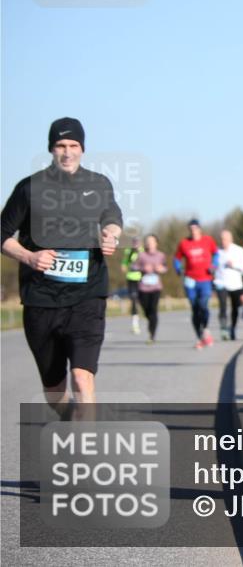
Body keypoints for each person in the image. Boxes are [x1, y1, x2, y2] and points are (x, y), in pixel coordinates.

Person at [0, 117, 123, 418]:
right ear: (51, 149)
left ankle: (88, 449)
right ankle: (69, 415)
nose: (67, 152)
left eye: (73, 145)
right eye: (60, 145)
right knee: (55, 389)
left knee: (83, 377)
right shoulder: (29, 188)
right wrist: (29, 257)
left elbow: (112, 216)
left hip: (87, 295)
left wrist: (111, 234)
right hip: (41, 299)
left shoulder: (98, 184)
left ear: (82, 148)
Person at [173, 219, 218, 349]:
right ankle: (199, 337)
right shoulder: (184, 243)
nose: (193, 231)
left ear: (199, 229)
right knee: (195, 308)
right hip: (190, 280)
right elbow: (177, 258)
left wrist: (214, 265)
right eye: (190, 229)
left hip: (205, 279)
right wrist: (178, 268)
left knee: (203, 304)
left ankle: (206, 329)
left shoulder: (208, 240)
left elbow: (216, 254)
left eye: (195, 228)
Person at [216, 229, 243, 341]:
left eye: (225, 239)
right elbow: (212, 265)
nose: (223, 241)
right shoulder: (217, 252)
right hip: (221, 283)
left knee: (235, 308)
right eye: (221, 239)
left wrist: (234, 265)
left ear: (231, 239)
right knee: (222, 306)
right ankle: (224, 329)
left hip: (235, 283)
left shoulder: (238, 250)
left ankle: (233, 328)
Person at [133, 233, 167, 344]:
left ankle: (152, 334)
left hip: (156, 287)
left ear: (156, 243)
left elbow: (165, 268)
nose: (149, 243)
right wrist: (143, 268)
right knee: (147, 311)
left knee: (153, 310)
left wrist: (160, 269)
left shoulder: (161, 255)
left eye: (152, 241)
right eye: (148, 241)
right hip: (143, 288)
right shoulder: (141, 255)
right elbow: (133, 266)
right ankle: (151, 322)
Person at [121, 236, 143, 334]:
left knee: (142, 301)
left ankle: (146, 318)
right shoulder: (128, 251)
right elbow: (124, 263)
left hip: (141, 278)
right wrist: (124, 267)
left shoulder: (143, 251)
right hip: (131, 278)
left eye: (137, 242)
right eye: (134, 242)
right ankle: (135, 324)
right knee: (133, 300)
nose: (135, 244)